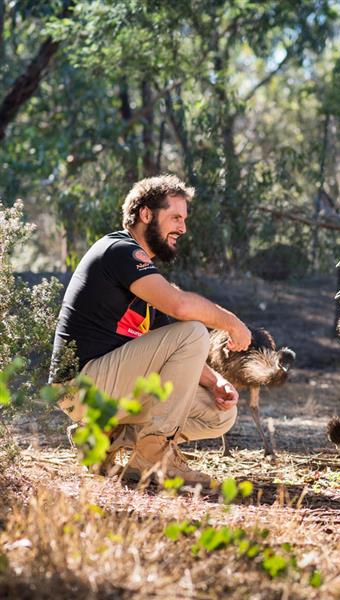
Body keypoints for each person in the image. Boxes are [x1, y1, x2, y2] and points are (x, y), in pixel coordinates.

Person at [51, 174, 252, 485]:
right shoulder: (120, 250)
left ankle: (104, 437)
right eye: (175, 217)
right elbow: (181, 308)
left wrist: (216, 383)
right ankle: (154, 457)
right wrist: (231, 323)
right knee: (193, 331)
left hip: (109, 387)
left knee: (220, 413)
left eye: (184, 219)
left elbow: (173, 354)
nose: (182, 228)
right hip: (81, 386)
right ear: (146, 214)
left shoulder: (144, 277)